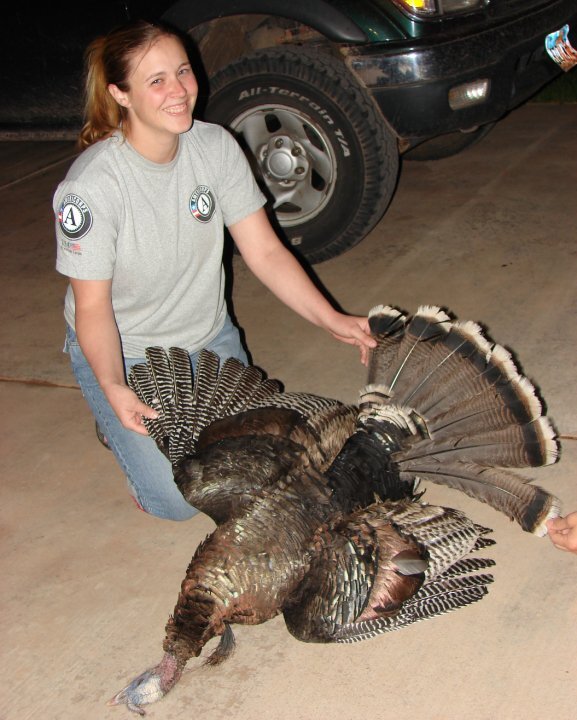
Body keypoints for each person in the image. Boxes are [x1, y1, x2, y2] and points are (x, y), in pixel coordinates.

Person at [54, 19, 376, 522]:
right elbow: (93, 307)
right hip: (127, 350)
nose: (179, 91)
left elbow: (266, 252)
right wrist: (114, 385)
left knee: (263, 465)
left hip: (207, 340)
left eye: (183, 71)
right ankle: (112, 419)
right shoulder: (92, 189)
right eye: (156, 80)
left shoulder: (215, 146)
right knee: (181, 499)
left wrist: (331, 318)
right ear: (121, 93)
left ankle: (125, 415)